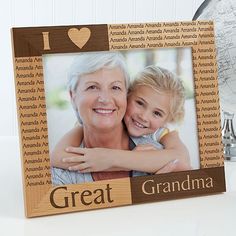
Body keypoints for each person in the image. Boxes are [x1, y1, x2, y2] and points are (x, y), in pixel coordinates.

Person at [51, 52, 191, 185]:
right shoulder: (62, 171)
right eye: (92, 87)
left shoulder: (159, 137)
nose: (143, 116)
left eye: (115, 87)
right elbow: (55, 157)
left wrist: (110, 159)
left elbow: (182, 160)